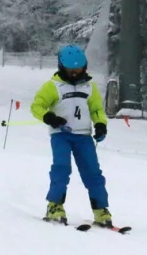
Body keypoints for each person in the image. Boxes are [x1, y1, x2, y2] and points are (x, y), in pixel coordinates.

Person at [30, 45, 113, 227]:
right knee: (61, 168)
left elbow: (96, 109)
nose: (75, 74)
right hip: (61, 135)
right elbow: (37, 106)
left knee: (93, 172)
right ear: (61, 67)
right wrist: (50, 117)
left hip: (84, 137)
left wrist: (100, 125)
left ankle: (101, 210)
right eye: (70, 70)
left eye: (79, 70)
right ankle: (54, 206)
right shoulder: (52, 86)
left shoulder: (89, 87)